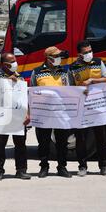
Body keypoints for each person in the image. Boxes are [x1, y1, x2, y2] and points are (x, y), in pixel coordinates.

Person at [69, 40, 106, 177]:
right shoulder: (72, 67)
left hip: (98, 106)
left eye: (90, 51)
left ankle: (104, 166)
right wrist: (80, 89)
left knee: (101, 137)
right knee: (81, 138)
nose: (89, 54)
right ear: (79, 54)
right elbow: (70, 87)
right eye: (86, 52)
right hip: (82, 107)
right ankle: (82, 166)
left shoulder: (99, 62)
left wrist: (92, 81)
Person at [30, 47, 72, 178]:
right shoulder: (37, 72)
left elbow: (70, 90)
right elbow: (32, 91)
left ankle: (62, 166)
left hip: (61, 113)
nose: (60, 58)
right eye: (57, 56)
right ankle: (44, 166)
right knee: (43, 141)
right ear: (49, 58)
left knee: (62, 142)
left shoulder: (64, 72)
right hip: (44, 113)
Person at [0, 53, 31, 181]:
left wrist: (27, 114)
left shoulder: (20, 77)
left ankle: (21, 170)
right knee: (0, 144)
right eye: (12, 61)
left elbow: (24, 97)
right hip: (2, 116)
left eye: (15, 61)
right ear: (5, 64)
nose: (15, 64)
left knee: (20, 144)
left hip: (18, 116)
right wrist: (9, 80)